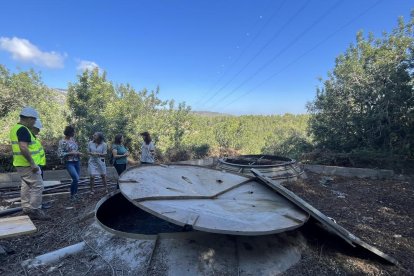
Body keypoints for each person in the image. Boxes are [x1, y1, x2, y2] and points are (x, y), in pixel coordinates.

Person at [9, 107, 50, 220]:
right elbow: (23, 147)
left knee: (26, 186)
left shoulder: (15, 128)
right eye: (33, 120)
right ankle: (35, 210)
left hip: (20, 163)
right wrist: (32, 163)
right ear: (29, 118)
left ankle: (26, 208)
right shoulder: (23, 129)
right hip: (27, 164)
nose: (34, 122)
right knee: (38, 186)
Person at [58, 126, 82, 201]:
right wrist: (70, 153)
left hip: (76, 161)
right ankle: (72, 195)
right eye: (73, 132)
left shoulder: (73, 140)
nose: (74, 133)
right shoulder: (62, 142)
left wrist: (78, 153)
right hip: (69, 162)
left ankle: (75, 194)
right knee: (76, 178)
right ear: (69, 132)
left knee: (77, 179)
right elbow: (60, 153)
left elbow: (75, 150)